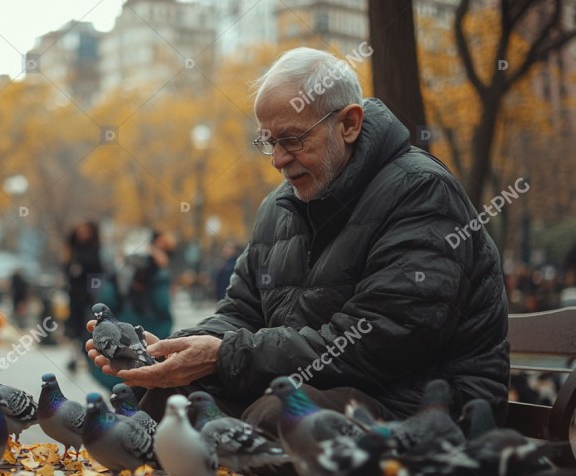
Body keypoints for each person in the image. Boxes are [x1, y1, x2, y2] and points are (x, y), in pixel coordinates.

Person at [88, 47, 510, 454]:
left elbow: (383, 339)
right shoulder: (279, 206)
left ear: (349, 124)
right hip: (322, 388)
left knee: (281, 415)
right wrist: (168, 352)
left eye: (291, 139)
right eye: (268, 141)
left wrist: (225, 355)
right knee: (176, 399)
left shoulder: (421, 192)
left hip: (426, 404)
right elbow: (242, 311)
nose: (276, 159)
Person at [64, 221, 103, 373]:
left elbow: (97, 269)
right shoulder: (72, 250)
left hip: (90, 296)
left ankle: (85, 355)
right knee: (75, 327)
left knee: (87, 326)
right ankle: (76, 356)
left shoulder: (94, 250)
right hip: (75, 295)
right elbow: (67, 270)